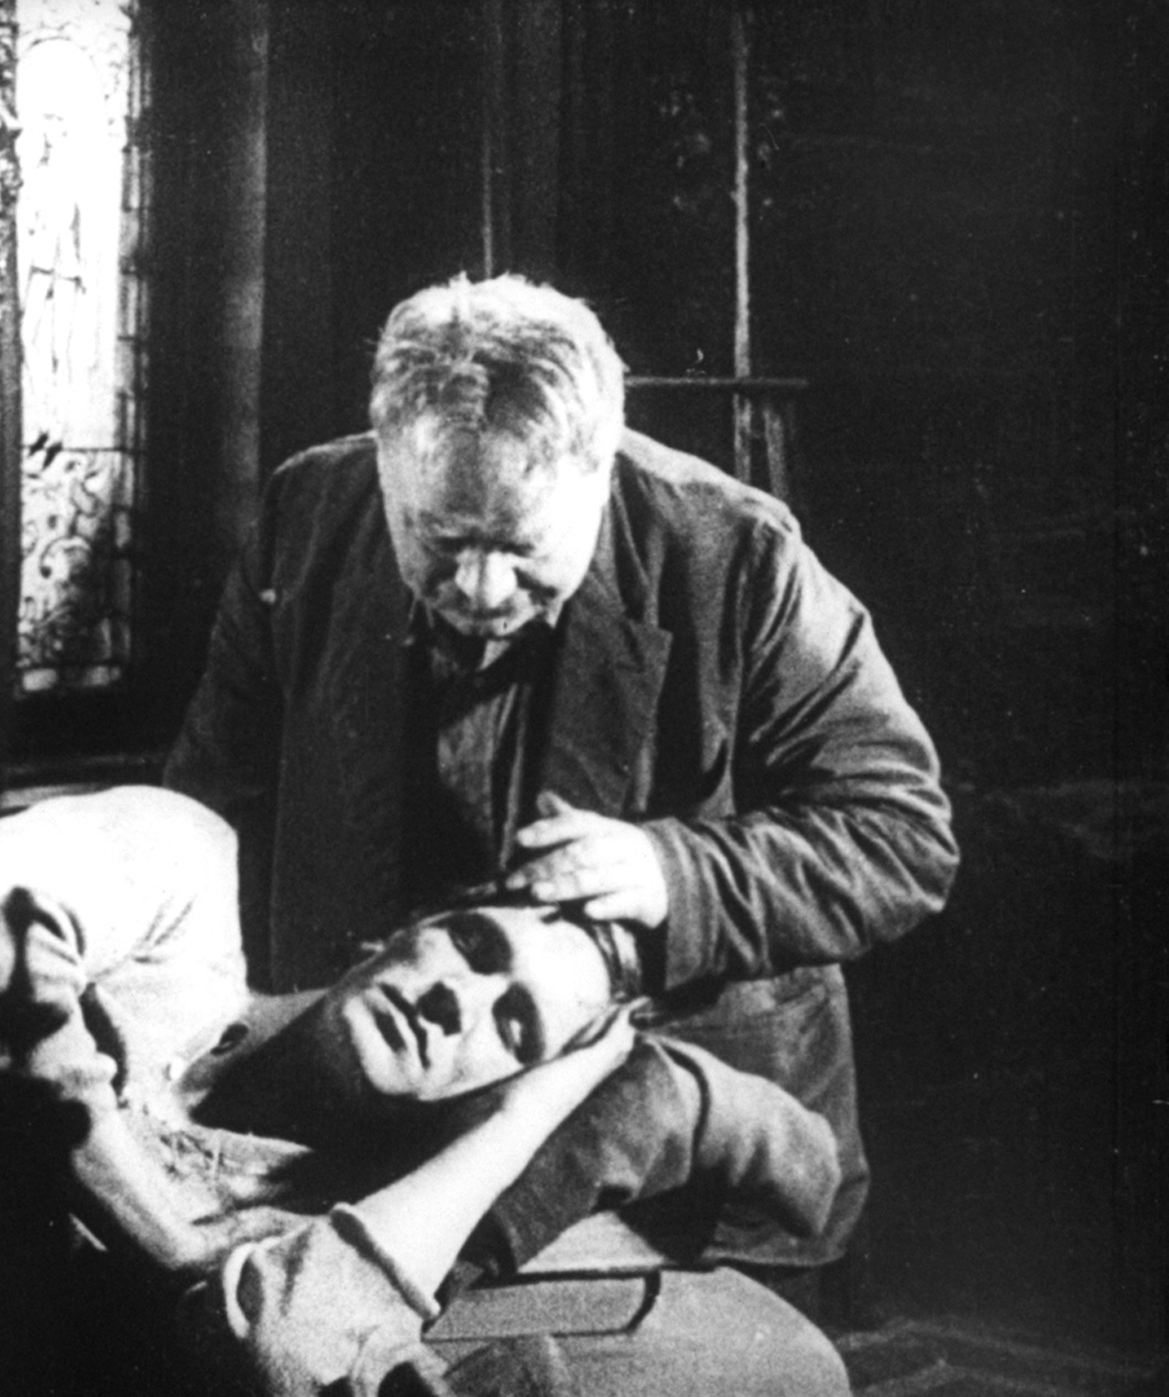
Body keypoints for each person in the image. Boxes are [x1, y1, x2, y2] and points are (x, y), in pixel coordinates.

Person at [165, 273, 960, 1283]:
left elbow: (902, 834)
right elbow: (205, 807)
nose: (479, 588)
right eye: (440, 539)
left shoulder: (738, 555)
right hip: (372, 1136)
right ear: (385, 464)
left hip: (660, 1160)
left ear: (601, 470)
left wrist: (675, 875)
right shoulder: (308, 510)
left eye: (519, 546)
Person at [0, 782, 848, 1396]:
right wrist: (167, 1238)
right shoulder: (188, 890)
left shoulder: (344, 1231)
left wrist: (527, 1120)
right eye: (474, 944)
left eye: (512, 1024)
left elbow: (289, 1349)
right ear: (408, 922)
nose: (454, 1003)